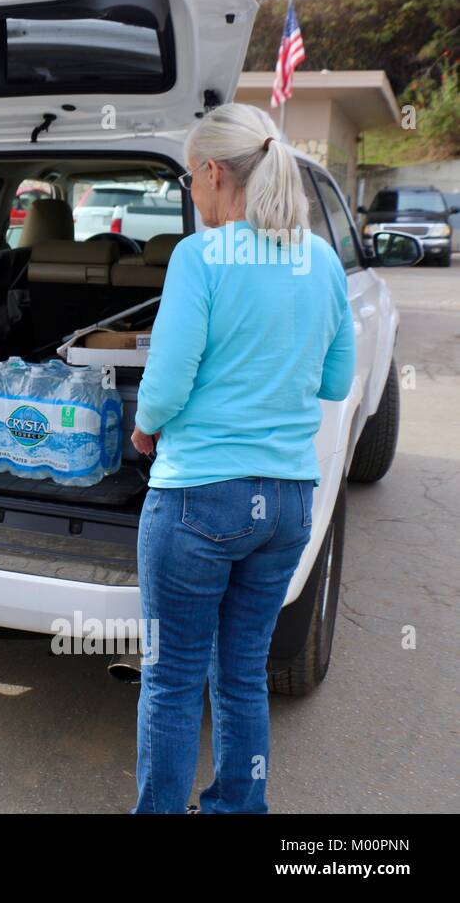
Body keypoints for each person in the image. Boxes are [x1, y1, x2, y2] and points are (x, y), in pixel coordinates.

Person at [129, 102, 355, 813]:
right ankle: (237, 806)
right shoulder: (321, 258)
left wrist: (144, 429)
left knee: (170, 680)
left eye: (192, 179)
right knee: (243, 674)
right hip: (287, 502)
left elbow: (166, 381)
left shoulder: (201, 257)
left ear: (215, 172)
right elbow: (336, 380)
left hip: (200, 498)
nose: (191, 194)